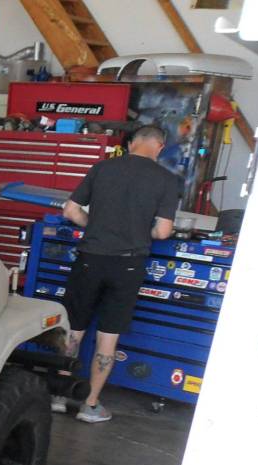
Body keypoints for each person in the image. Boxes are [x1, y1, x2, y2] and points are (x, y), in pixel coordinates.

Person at [59, 124, 181, 423]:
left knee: (73, 329)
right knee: (108, 337)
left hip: (90, 258)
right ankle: (90, 405)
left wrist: (95, 226)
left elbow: (70, 211)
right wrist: (141, 231)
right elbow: (163, 231)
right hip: (128, 265)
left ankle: (58, 396)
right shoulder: (167, 180)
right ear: (160, 147)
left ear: (131, 144)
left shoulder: (102, 168)